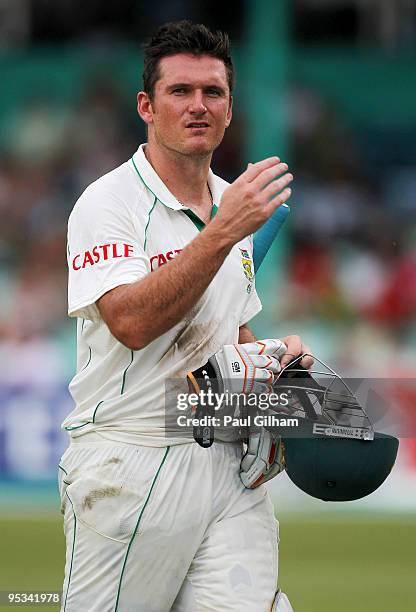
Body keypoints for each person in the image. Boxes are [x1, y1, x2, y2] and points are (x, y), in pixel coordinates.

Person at [59, 20, 312, 612]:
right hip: (130, 459)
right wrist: (224, 233)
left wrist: (278, 363)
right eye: (180, 91)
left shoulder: (233, 202)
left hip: (225, 457)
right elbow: (131, 322)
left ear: (230, 108)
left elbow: (230, 332)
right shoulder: (107, 202)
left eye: (213, 93)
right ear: (146, 106)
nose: (198, 106)